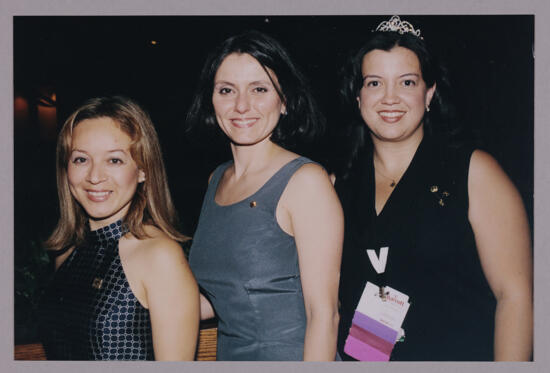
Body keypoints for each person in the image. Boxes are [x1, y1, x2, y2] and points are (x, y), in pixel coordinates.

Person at [335, 16, 533, 361]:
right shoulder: (340, 186)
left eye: (407, 82)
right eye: (374, 83)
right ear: (357, 96)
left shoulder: (474, 172)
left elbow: (515, 297)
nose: (390, 98)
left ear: (430, 92)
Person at [186, 30, 343, 361]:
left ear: (284, 100)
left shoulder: (306, 182)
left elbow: (324, 317)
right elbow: (224, 296)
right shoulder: (217, 179)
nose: (241, 105)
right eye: (227, 90)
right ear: (211, 101)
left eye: (259, 89)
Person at [38, 96, 199, 360]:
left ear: (142, 170)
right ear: (65, 169)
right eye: (81, 159)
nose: (94, 176)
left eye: (114, 160)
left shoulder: (159, 256)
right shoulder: (67, 252)